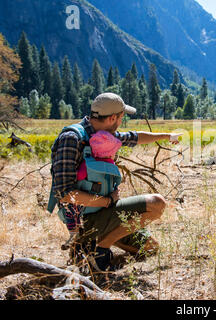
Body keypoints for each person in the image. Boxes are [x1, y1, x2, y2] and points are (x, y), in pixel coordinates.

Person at [49, 92, 180, 271]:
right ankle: (99, 246)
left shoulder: (105, 135)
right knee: (157, 204)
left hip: (106, 212)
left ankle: (90, 246)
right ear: (112, 118)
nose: (121, 122)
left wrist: (167, 136)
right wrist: (108, 200)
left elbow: (136, 137)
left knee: (149, 247)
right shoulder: (72, 139)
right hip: (84, 219)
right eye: (121, 118)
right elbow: (64, 195)